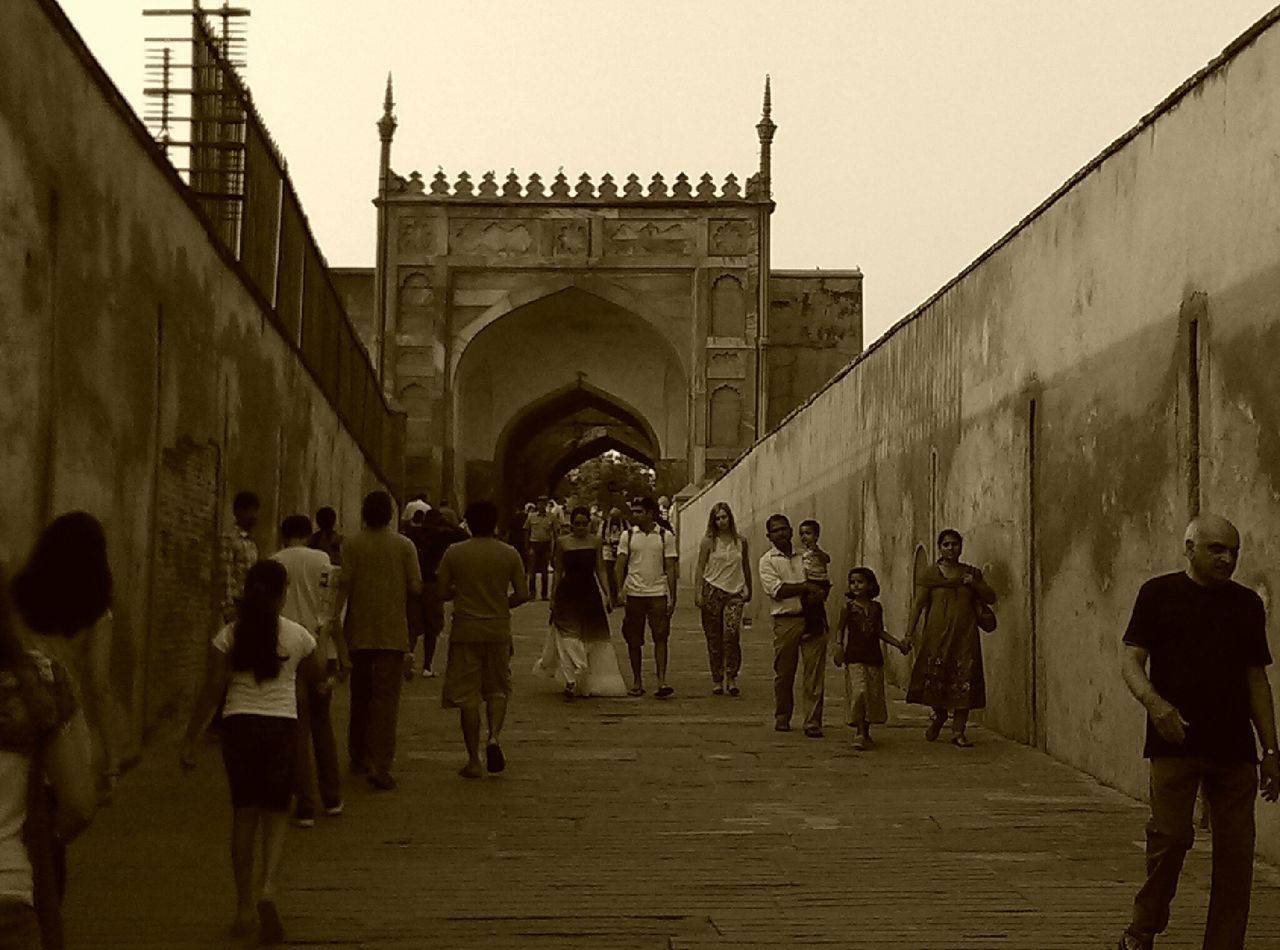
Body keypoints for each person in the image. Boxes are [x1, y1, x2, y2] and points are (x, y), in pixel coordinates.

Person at [1117, 514, 1278, 950]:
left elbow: (1255, 680)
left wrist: (1271, 750)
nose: (1228, 559)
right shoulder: (1158, 594)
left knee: (1236, 855)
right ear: (1189, 549)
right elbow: (1131, 661)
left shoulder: (1246, 604)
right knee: (1169, 838)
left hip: (1234, 747)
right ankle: (1143, 927)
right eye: (1216, 549)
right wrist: (1156, 705)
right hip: (1175, 741)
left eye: (1234, 551)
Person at [180, 560, 317, 946]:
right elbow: (318, 672)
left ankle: (242, 908)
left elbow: (212, 688)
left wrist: (190, 739)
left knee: (244, 816)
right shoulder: (297, 636)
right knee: (276, 814)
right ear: (281, 594)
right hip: (280, 726)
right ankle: (268, 888)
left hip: (239, 725)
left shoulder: (229, 635)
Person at [7, 518, 108, 950]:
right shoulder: (46, 677)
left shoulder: (22, 597)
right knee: (48, 876)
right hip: (58, 746)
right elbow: (100, 682)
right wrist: (112, 753)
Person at [333, 491, 422, 791]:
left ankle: (358, 756)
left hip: (358, 630)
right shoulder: (404, 545)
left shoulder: (352, 544)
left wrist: (334, 624)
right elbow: (415, 585)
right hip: (392, 632)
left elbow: (343, 584)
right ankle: (381, 764)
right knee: (385, 701)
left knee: (360, 696)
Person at [438, 501, 528, 779]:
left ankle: (473, 760)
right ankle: (494, 738)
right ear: (495, 524)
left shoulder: (455, 553)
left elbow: (442, 592)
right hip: (497, 629)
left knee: (468, 696)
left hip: (466, 629)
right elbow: (523, 594)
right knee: (498, 689)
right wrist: (500, 605)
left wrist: (462, 591)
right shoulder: (509, 553)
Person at [271, 515, 344, 828]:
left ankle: (305, 802)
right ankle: (332, 796)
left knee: (295, 728)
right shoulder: (323, 560)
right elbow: (331, 610)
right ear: (308, 534)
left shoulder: (274, 562)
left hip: (285, 650)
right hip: (319, 649)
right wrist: (340, 651)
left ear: (283, 534)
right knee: (322, 724)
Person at [903, 528, 997, 748]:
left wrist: (974, 584)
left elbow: (990, 597)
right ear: (939, 547)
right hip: (937, 636)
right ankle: (940, 715)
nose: (950, 548)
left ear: (961, 546)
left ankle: (958, 731)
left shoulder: (971, 573)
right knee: (935, 681)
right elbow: (918, 604)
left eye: (954, 544)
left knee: (964, 681)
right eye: (946, 544)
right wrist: (909, 633)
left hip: (965, 636)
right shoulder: (930, 574)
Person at [534, 507, 627, 698]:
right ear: (572, 524)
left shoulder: (595, 542)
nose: (581, 527)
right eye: (577, 524)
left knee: (590, 636)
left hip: (589, 593)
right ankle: (572, 676)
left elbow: (600, 569)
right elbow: (558, 571)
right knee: (567, 636)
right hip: (567, 593)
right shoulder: (562, 543)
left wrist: (607, 594)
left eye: (584, 524)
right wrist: (553, 596)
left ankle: (584, 676)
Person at [759, 514, 828, 737]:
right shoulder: (767, 560)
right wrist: (806, 587)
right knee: (784, 673)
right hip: (786, 620)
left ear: (791, 531)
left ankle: (812, 721)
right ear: (769, 536)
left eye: (784, 529)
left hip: (813, 617)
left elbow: (821, 578)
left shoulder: (806, 556)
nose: (780, 533)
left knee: (814, 674)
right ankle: (782, 715)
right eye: (775, 531)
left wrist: (818, 591)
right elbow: (777, 590)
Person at [833, 568, 908, 751]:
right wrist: (838, 646)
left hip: (873, 656)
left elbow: (879, 631)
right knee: (859, 692)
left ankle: (865, 730)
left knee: (871, 694)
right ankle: (858, 731)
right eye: (853, 582)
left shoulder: (876, 608)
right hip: (854, 656)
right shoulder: (848, 608)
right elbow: (840, 628)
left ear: (870, 585)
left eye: (860, 582)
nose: (856, 585)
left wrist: (898, 644)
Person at [615, 495, 679, 698]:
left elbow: (670, 566)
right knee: (634, 639)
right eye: (633, 511)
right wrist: (619, 589)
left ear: (650, 513)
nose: (635, 515)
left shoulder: (664, 535)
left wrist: (672, 594)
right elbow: (620, 563)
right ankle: (637, 680)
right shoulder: (628, 536)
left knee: (661, 637)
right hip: (634, 592)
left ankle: (661, 680)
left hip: (658, 592)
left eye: (639, 511)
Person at [693, 502, 751, 696]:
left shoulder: (740, 541)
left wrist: (748, 587)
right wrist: (698, 591)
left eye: (724, 517)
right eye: (717, 518)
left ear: (730, 518)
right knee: (714, 638)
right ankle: (717, 678)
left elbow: (745, 565)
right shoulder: (708, 541)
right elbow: (700, 567)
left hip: (734, 593)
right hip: (712, 590)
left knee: (731, 634)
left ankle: (731, 676)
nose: (721, 521)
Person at [412, 509, 468, 678]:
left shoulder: (413, 535)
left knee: (413, 624)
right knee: (432, 626)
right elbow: (463, 536)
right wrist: (449, 523)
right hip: (433, 583)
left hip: (414, 583)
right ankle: (427, 665)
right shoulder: (444, 536)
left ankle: (410, 655)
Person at [220, 491, 261, 623]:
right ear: (237, 512)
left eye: (256, 511)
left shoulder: (251, 542)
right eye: (250, 511)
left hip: (250, 602)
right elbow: (225, 572)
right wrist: (228, 605)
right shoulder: (229, 539)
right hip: (236, 603)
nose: (254, 516)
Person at [797, 519, 832, 640]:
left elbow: (827, 559)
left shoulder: (816, 551)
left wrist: (816, 551)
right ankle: (822, 624)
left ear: (816, 536)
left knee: (810, 603)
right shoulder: (803, 552)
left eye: (808, 533)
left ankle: (814, 628)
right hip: (810, 581)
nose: (804, 537)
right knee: (813, 606)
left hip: (819, 581)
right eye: (801, 534)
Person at [526, 499, 557, 600]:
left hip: (545, 545)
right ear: (537, 505)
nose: (541, 506)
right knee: (532, 570)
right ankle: (532, 592)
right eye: (539, 504)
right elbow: (527, 532)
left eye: (543, 504)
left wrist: (555, 548)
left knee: (544, 570)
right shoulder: (531, 517)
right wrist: (527, 547)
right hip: (534, 544)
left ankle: (544, 594)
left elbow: (555, 533)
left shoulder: (551, 517)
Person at [600, 508, 627, 604]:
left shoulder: (624, 523)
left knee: (621, 574)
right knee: (609, 575)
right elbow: (600, 537)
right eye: (613, 516)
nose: (615, 519)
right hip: (608, 551)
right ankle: (611, 597)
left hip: (621, 550)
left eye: (617, 517)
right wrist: (609, 543)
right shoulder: (604, 524)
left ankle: (619, 595)